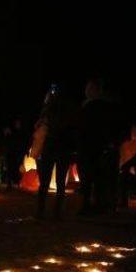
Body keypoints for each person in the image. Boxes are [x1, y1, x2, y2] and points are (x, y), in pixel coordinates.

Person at [78, 78, 128, 214]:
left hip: (93, 147)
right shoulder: (106, 107)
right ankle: (103, 205)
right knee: (102, 178)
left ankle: (93, 205)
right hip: (102, 147)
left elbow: (84, 129)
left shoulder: (91, 108)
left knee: (92, 177)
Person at [35, 84, 78, 219]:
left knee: (45, 181)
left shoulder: (49, 108)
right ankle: (57, 212)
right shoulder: (69, 109)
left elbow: (40, 125)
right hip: (63, 148)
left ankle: (41, 211)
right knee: (60, 182)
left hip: (52, 146)